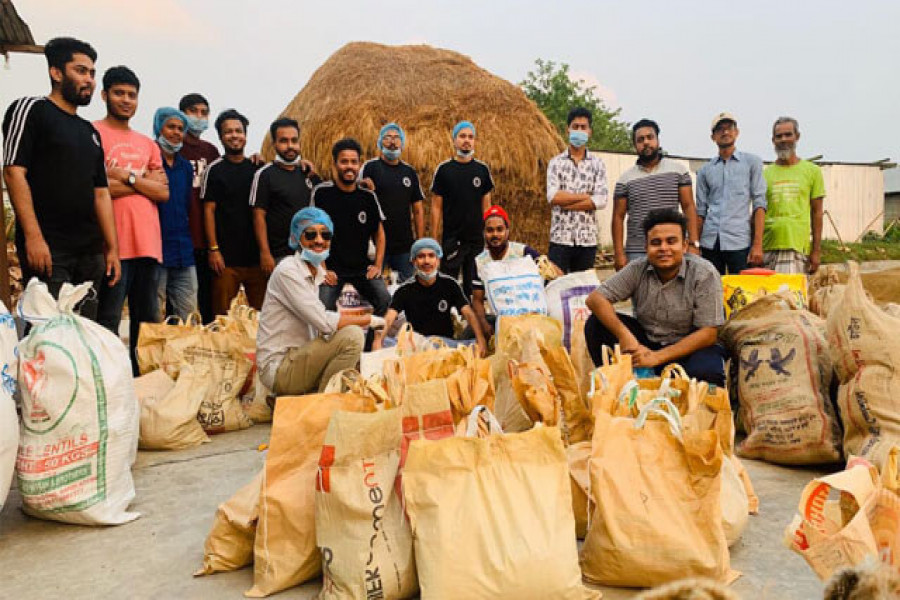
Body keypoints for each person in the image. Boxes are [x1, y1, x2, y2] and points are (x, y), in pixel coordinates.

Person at [2, 36, 120, 320]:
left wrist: (112, 249)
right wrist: (33, 237)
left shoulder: (89, 132)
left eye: (92, 73)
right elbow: (13, 171)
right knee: (48, 338)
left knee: (84, 335)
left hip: (90, 254)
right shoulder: (31, 110)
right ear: (56, 73)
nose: (89, 79)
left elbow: (101, 192)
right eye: (80, 71)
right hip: (50, 249)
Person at [584, 208, 726, 386]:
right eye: (656, 242)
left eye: (671, 241)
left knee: (707, 374)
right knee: (596, 324)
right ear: (646, 247)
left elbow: (709, 333)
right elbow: (595, 299)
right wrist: (625, 336)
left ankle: (658, 377)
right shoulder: (638, 268)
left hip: (688, 347)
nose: (663, 248)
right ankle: (615, 385)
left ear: (684, 245)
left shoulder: (704, 273)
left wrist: (657, 358)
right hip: (645, 343)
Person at [256, 207, 384, 396]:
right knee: (353, 337)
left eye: (325, 235)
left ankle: (307, 399)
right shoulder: (288, 271)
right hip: (280, 368)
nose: (319, 240)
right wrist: (369, 320)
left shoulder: (316, 273)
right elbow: (324, 322)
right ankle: (323, 402)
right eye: (310, 234)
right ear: (297, 238)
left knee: (350, 362)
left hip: (299, 359)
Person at [93, 66, 168, 373]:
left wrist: (124, 175)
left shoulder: (148, 144)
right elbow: (95, 186)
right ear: (104, 95)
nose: (126, 100)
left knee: (147, 323)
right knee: (108, 320)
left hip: (149, 244)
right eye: (119, 93)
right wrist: (141, 182)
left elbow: (163, 193)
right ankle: (112, 381)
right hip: (113, 245)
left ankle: (142, 384)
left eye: (131, 95)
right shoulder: (93, 133)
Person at [312, 138, 391, 316]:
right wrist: (322, 269)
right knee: (322, 306)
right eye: (344, 161)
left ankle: (371, 343)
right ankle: (335, 343)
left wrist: (377, 265)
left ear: (359, 164)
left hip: (361, 269)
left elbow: (380, 234)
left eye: (354, 162)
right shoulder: (321, 194)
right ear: (335, 164)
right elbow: (312, 233)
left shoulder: (368, 197)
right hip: (332, 268)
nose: (349, 166)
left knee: (385, 300)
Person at [201, 109, 267, 315]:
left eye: (238, 131)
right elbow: (208, 211)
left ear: (245, 135)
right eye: (228, 132)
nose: (234, 135)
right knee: (220, 317)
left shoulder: (258, 169)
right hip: (225, 260)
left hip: (257, 260)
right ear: (221, 137)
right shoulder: (214, 170)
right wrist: (213, 249)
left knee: (262, 318)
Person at [373, 238, 487, 356]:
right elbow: (389, 318)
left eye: (431, 256)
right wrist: (378, 341)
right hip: (417, 345)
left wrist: (481, 339)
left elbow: (468, 313)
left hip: (445, 345)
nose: (426, 261)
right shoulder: (404, 290)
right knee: (385, 343)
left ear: (438, 260)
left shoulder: (450, 284)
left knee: (472, 345)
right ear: (414, 261)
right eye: (421, 256)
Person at [612, 119, 700, 270]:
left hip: (671, 247)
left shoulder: (678, 171)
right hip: (637, 251)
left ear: (658, 140)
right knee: (640, 293)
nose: (646, 142)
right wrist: (619, 254)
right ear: (635, 146)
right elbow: (618, 217)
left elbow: (688, 206)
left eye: (650, 137)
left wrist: (693, 243)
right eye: (640, 140)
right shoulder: (625, 180)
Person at [696, 112, 767, 275]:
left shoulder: (752, 163)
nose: (725, 132)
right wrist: (695, 244)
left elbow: (759, 204)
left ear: (737, 132)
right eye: (720, 129)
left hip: (739, 241)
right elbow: (700, 211)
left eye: (729, 128)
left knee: (741, 294)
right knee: (710, 290)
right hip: (710, 242)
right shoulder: (705, 170)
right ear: (713, 137)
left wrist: (757, 245)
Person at [430, 120, 494, 297]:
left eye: (471, 137)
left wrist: (488, 238)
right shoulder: (444, 170)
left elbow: (487, 207)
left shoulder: (482, 170)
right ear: (454, 140)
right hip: (453, 239)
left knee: (472, 287)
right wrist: (434, 241)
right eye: (462, 136)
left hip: (475, 240)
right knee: (447, 284)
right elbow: (436, 208)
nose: (467, 140)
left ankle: (469, 323)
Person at [250, 117, 321, 275]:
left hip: (307, 254)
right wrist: (265, 253)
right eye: (284, 141)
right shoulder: (265, 174)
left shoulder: (307, 173)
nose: (290, 146)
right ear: (274, 143)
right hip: (278, 257)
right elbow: (258, 216)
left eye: (294, 140)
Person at [546, 106, 609, 273]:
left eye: (583, 127)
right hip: (560, 238)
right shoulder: (555, 163)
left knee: (581, 292)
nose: (579, 131)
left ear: (590, 132)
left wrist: (567, 203)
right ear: (568, 130)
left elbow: (601, 200)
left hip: (587, 240)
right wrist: (585, 197)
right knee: (555, 287)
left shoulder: (597, 164)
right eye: (575, 127)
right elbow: (553, 197)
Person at [359, 123, 425, 282]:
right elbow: (354, 197)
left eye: (396, 138)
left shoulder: (409, 172)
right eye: (387, 138)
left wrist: (420, 243)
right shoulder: (370, 167)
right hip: (375, 246)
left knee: (407, 290)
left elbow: (417, 210)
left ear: (402, 143)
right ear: (380, 142)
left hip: (404, 246)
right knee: (376, 290)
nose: (392, 142)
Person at [763, 117, 825, 274]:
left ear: (797, 136)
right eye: (779, 136)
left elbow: (817, 213)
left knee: (793, 297)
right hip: (768, 247)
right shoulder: (765, 174)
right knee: (769, 297)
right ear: (773, 140)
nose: (783, 140)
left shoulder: (812, 171)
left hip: (797, 247)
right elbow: (758, 212)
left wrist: (816, 251)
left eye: (788, 134)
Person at [178, 93, 220, 323]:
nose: (199, 117)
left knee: (208, 304)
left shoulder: (211, 151)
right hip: (182, 239)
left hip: (207, 241)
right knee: (183, 307)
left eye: (204, 112)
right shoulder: (173, 148)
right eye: (193, 111)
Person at [471, 205, 543, 337]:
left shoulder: (523, 253)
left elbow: (549, 270)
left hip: (528, 316)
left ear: (507, 231)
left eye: (500, 230)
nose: (495, 235)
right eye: (490, 230)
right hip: (498, 317)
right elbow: (477, 300)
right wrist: (483, 324)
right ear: (484, 233)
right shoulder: (480, 262)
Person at [153, 107, 197, 320]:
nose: (176, 132)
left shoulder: (186, 167)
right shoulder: (149, 161)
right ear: (158, 128)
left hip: (183, 250)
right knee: (154, 314)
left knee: (188, 313)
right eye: (171, 127)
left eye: (181, 128)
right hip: (156, 250)